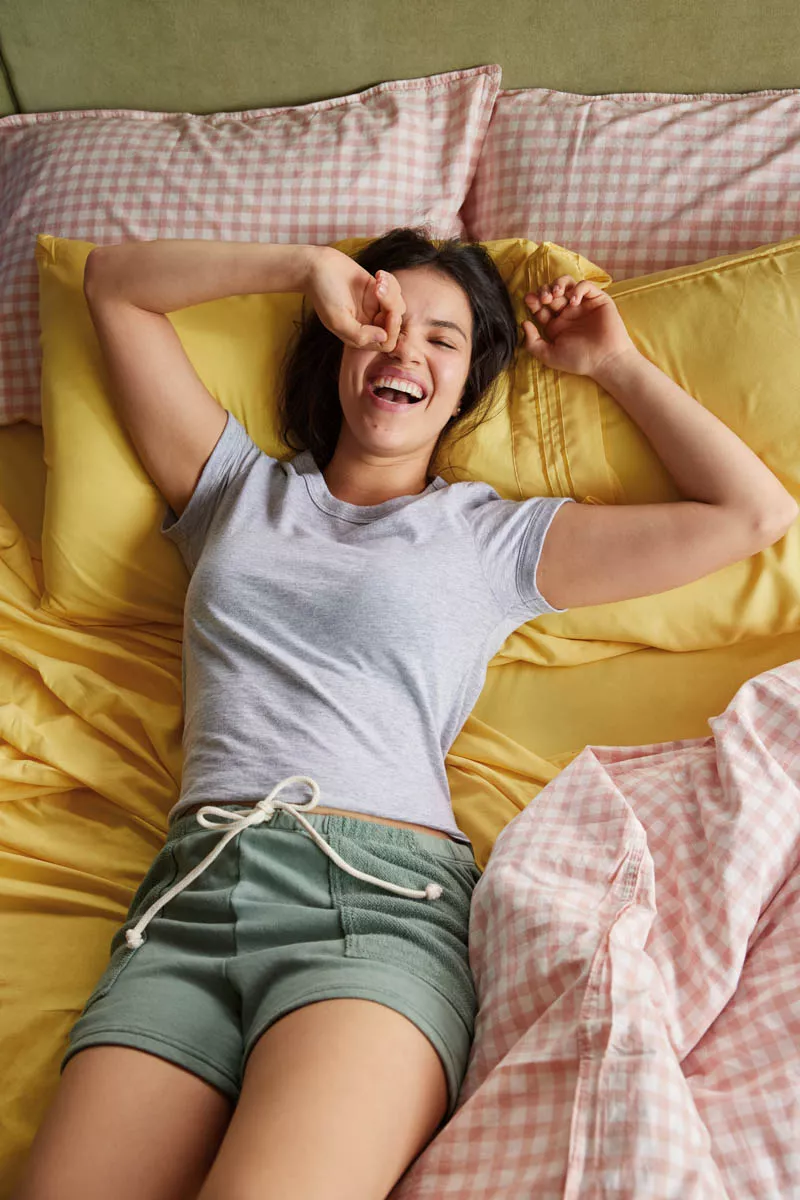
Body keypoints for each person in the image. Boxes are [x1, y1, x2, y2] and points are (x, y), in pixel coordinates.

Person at [14, 229, 797, 1200]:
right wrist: (304, 267)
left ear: (466, 385)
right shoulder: (235, 492)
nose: (403, 350)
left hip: (375, 912)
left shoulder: (488, 540)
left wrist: (615, 365)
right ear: (338, 343)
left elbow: (750, 515)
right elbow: (113, 287)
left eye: (441, 339)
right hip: (192, 897)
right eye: (380, 321)